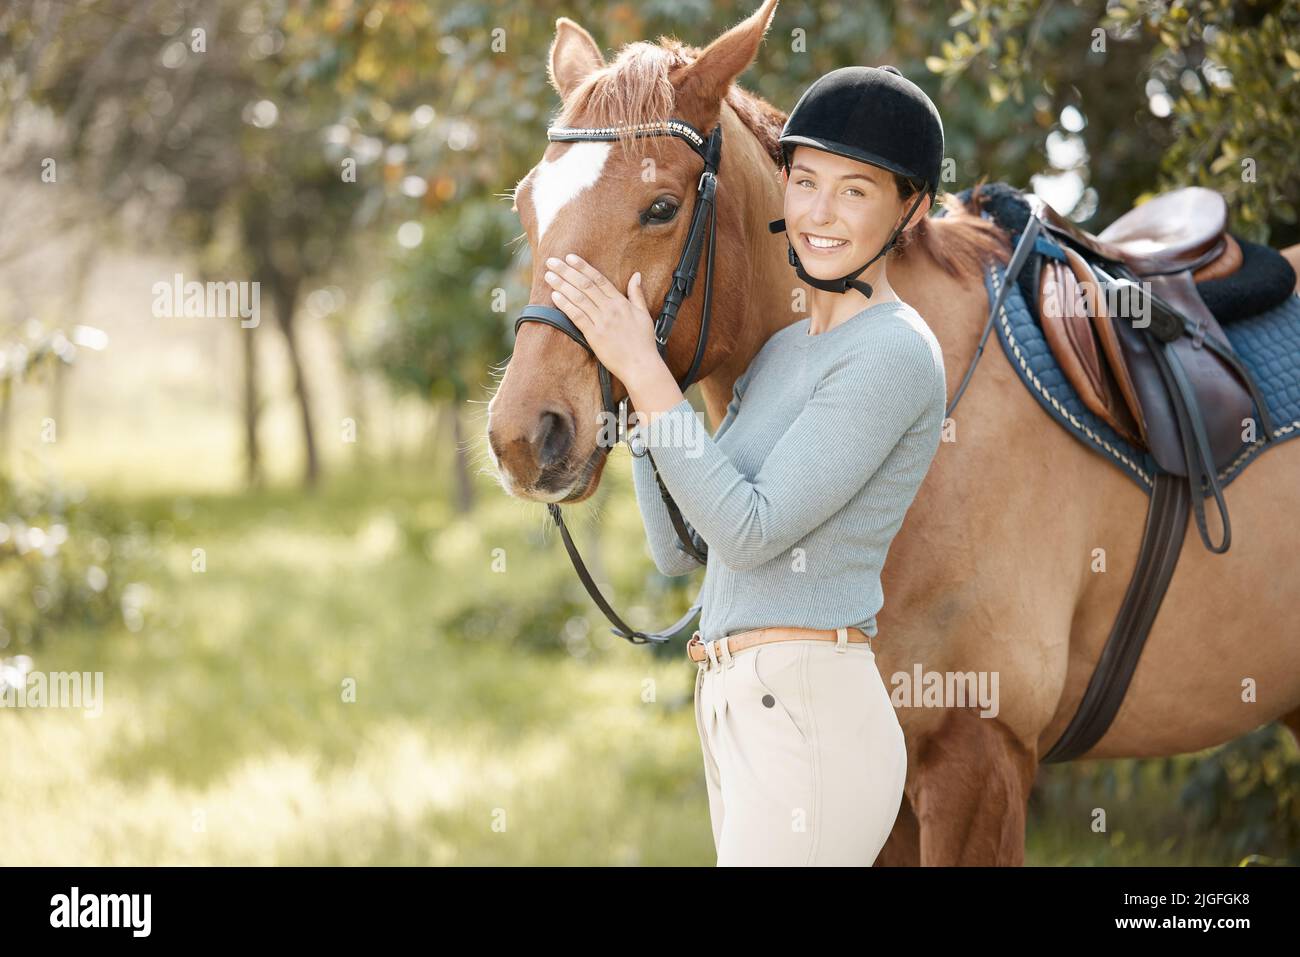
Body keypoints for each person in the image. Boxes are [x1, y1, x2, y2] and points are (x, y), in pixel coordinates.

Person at [538, 65, 947, 865]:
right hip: (733, 708)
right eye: (805, 182)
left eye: (855, 191)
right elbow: (682, 545)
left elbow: (752, 531)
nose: (819, 214)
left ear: (912, 209)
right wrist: (632, 371)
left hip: (810, 713)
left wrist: (650, 380)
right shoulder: (784, 353)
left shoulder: (895, 353)